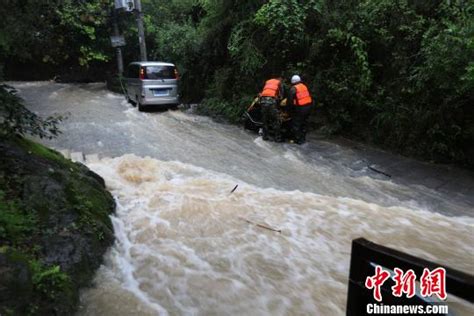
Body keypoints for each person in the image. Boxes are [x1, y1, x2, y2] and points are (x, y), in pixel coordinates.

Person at [287, 75, 312, 144]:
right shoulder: (304, 86)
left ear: (293, 82)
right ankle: (303, 138)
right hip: (308, 107)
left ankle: (298, 140)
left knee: (296, 124)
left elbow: (289, 101)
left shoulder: (293, 88)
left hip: (301, 108)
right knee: (304, 123)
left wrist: (289, 111)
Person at [259, 77, 285, 142]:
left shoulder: (268, 81)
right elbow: (281, 96)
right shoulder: (279, 83)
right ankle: (277, 138)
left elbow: (262, 91)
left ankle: (265, 137)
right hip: (271, 103)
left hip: (262, 101)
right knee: (275, 120)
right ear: (280, 80)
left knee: (265, 120)